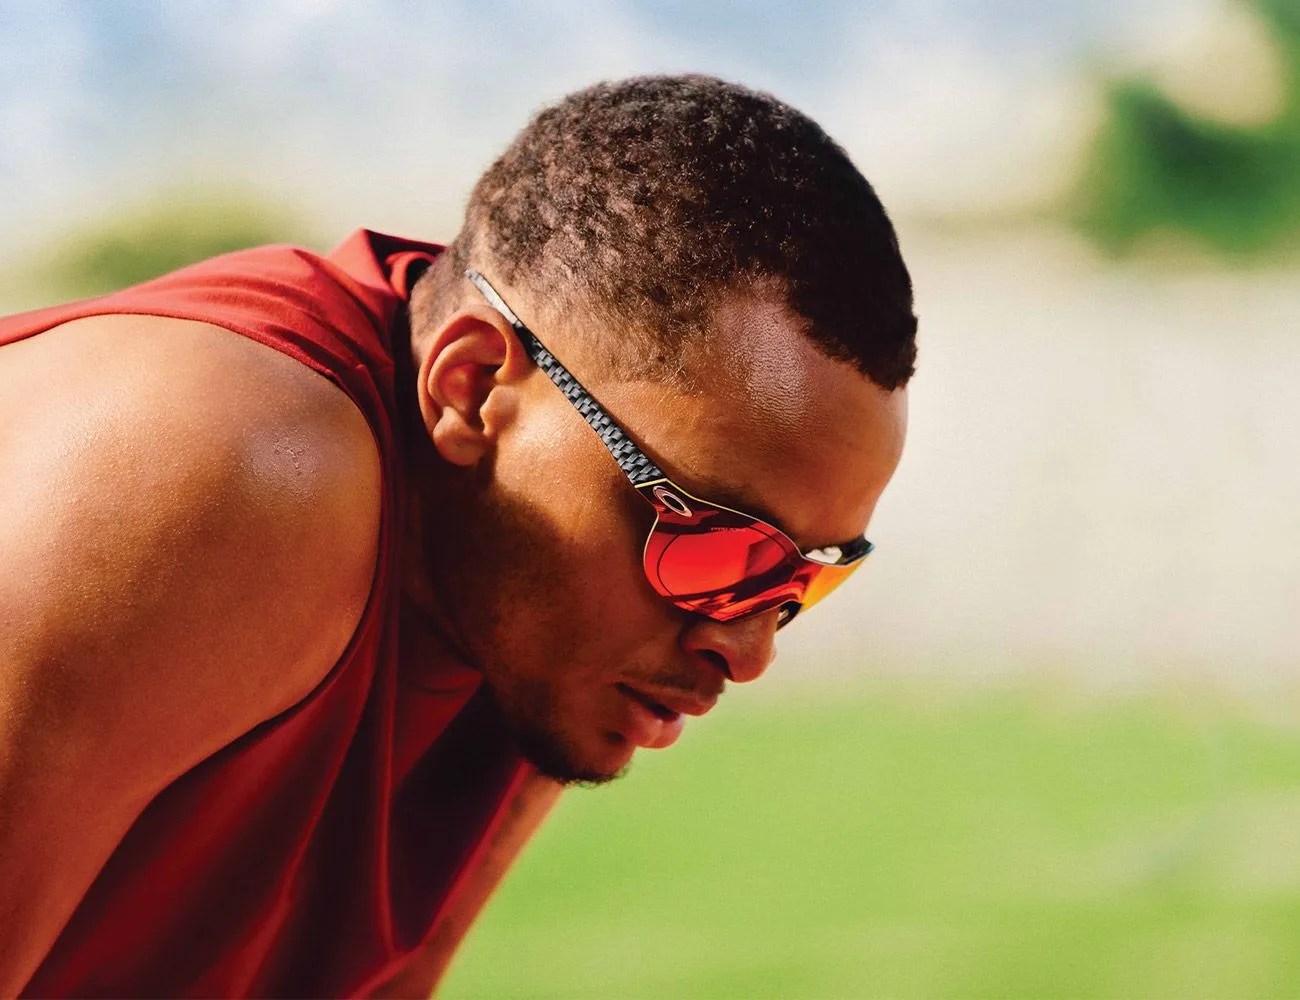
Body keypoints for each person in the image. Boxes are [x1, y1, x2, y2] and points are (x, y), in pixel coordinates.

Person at [0, 74, 915, 997]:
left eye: (799, 579)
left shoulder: (538, 623)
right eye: (717, 544)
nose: (748, 646)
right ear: (473, 386)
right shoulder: (230, 465)